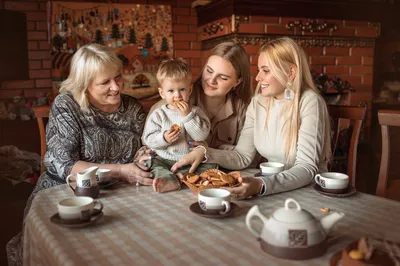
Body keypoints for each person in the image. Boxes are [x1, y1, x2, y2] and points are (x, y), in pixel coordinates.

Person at [6, 44, 153, 266]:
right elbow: (65, 164)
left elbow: (145, 144)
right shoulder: (67, 105)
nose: (116, 87)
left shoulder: (132, 107)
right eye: (105, 82)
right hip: (64, 192)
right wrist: (122, 171)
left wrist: (144, 156)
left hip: (122, 193)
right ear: (85, 85)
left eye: (118, 77)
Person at [171, 37, 331, 199]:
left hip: (309, 191)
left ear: (291, 73)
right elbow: (243, 156)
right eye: (259, 69)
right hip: (273, 189)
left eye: (266, 70)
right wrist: (205, 152)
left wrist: (261, 185)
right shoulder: (258, 102)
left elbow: (307, 168)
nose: (257, 77)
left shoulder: (310, 101)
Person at [147, 42, 255, 163]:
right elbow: (147, 144)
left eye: (223, 77)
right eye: (209, 71)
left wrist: (208, 151)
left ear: (237, 81)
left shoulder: (244, 110)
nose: (212, 80)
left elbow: (248, 157)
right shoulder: (170, 104)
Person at [143, 58, 217, 193]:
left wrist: (187, 116)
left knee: (212, 165)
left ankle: (184, 176)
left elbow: (202, 136)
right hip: (164, 158)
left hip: (190, 159)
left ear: (189, 89)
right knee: (152, 163)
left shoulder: (196, 111)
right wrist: (164, 138)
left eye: (182, 89)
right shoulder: (159, 114)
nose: (177, 95)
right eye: (171, 91)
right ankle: (170, 179)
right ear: (162, 93)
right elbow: (149, 140)